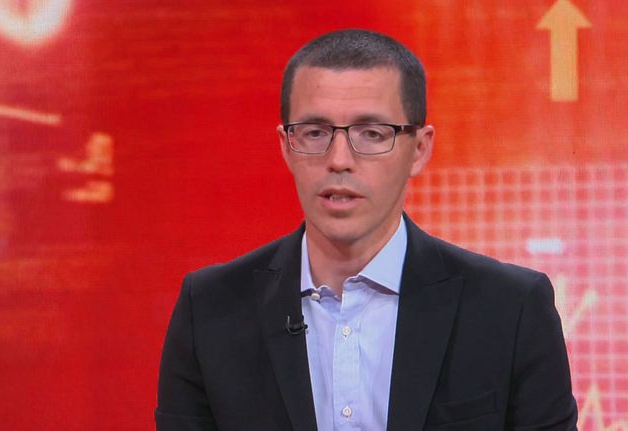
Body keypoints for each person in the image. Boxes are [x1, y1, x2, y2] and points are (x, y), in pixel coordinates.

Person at [155, 29, 577, 431]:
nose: (339, 159)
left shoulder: (510, 309)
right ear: (286, 147)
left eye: (372, 134)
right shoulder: (209, 311)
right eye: (315, 133)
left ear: (420, 149)